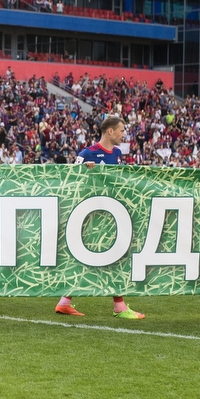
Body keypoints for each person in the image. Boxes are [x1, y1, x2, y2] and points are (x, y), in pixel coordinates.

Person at [61, 117, 144, 320]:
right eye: (121, 130)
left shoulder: (117, 153)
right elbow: (69, 179)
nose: (124, 134)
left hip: (110, 213)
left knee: (101, 259)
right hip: (91, 216)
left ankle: (64, 302)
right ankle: (119, 306)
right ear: (110, 131)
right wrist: (84, 171)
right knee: (113, 256)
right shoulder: (87, 153)